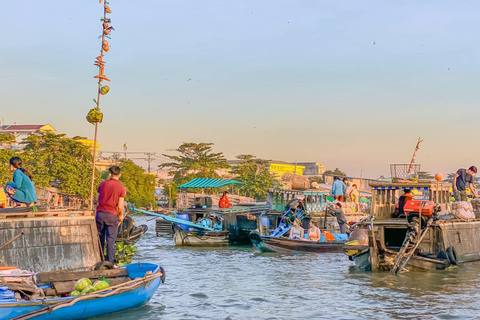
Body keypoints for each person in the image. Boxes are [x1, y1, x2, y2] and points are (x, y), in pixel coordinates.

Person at [96, 166, 126, 265]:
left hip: (100, 214)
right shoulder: (121, 188)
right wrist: (121, 215)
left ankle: (99, 260)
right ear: (120, 175)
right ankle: (109, 263)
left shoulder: (102, 184)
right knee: (110, 240)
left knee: (100, 238)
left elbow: (97, 199)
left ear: (109, 174)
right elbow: (120, 206)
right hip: (111, 215)